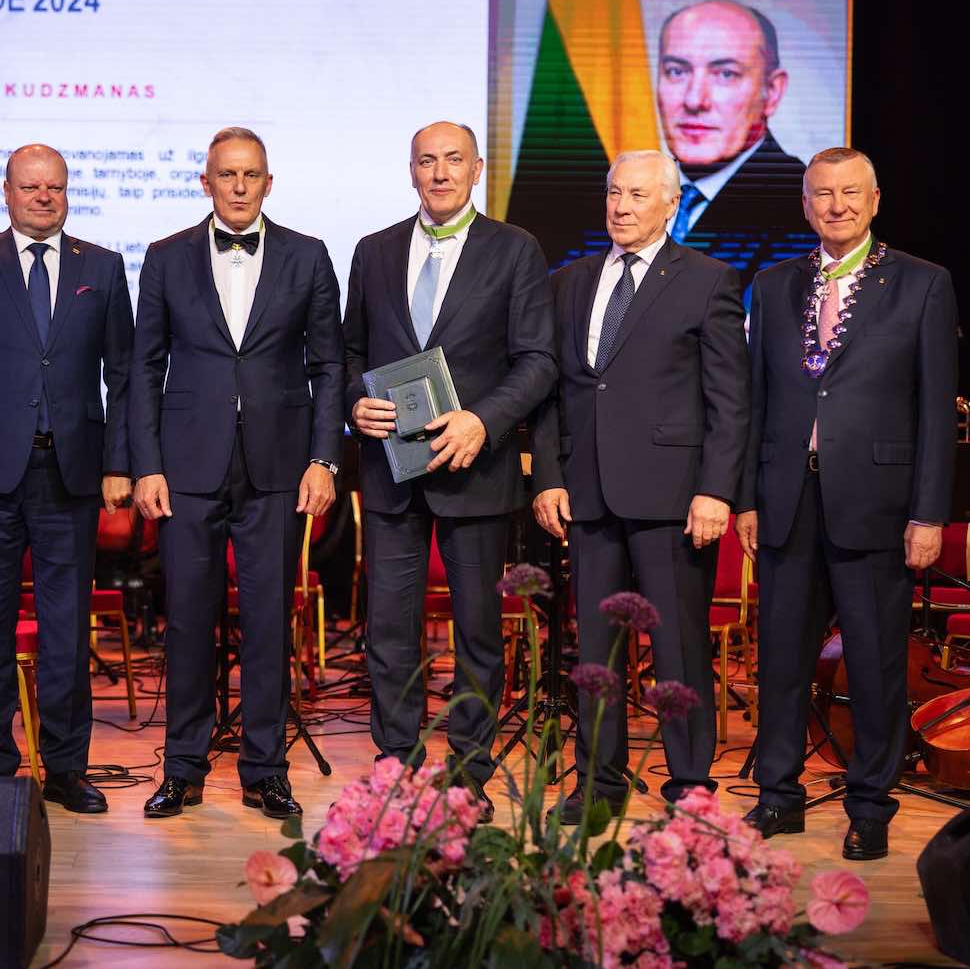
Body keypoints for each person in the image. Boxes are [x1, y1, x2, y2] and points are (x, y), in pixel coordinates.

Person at [737, 147, 958, 861]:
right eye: (822, 194)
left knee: (874, 664)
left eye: (850, 193)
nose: (836, 206)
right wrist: (746, 499)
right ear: (805, 205)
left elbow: (936, 413)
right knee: (780, 662)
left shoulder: (922, 284)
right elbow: (754, 402)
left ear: (875, 200)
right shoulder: (772, 285)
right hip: (786, 500)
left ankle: (870, 805)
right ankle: (778, 796)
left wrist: (928, 513)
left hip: (879, 505)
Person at [129, 126, 343, 820]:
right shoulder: (165, 257)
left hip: (278, 465)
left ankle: (266, 770)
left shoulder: (308, 255)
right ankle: (182, 769)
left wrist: (324, 458)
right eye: (227, 174)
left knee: (268, 622)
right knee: (188, 622)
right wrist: (146, 464)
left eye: (252, 174)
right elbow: (144, 367)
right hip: (187, 466)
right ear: (206, 182)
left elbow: (328, 366)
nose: (240, 186)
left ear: (269, 183)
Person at [529, 150, 749, 821]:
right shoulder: (569, 282)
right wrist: (549, 476)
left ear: (670, 205)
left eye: (636, 195)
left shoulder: (708, 280)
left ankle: (689, 785)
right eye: (613, 193)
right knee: (596, 653)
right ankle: (599, 782)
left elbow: (730, 400)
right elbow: (554, 392)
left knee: (677, 647)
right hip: (588, 495)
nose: (620, 207)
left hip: (675, 500)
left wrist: (717, 490)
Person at [344, 121, 556, 816]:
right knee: (389, 631)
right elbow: (349, 353)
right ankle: (396, 770)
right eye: (427, 161)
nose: (439, 173)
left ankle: (469, 775)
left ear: (477, 169)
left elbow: (538, 360)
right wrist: (354, 402)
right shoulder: (373, 250)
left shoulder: (515, 249)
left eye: (453, 160)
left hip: (476, 472)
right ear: (411, 171)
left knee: (478, 637)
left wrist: (484, 420)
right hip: (391, 473)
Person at [0, 144, 133, 814]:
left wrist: (118, 463)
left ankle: (67, 768)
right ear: (7, 191)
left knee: (66, 630)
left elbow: (123, 375)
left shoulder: (102, 266)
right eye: (31, 186)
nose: (44, 197)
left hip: (70, 475)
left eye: (56, 187)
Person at [656, 0, 814, 285]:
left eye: (725, 74)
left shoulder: (800, 207)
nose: (694, 100)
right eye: (677, 71)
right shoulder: (627, 196)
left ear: (772, 91)